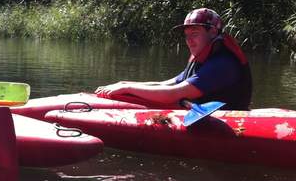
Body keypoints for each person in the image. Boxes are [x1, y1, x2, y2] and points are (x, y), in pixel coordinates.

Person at [95, 8, 252, 110]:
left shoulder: (222, 64)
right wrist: (125, 84)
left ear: (212, 32)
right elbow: (165, 84)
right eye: (187, 36)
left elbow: (172, 93)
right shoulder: (203, 60)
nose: (189, 41)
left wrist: (128, 90)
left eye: (195, 34)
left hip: (229, 121)